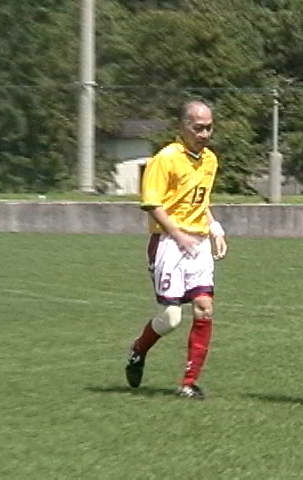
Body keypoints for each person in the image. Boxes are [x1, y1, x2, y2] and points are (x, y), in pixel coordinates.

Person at [124, 100, 228, 399]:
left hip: (199, 244)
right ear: (183, 126)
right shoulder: (165, 159)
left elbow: (200, 201)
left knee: (204, 308)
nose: (204, 134)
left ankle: (188, 383)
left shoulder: (210, 160)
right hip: (168, 243)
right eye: (198, 128)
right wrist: (178, 234)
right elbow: (152, 204)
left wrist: (215, 228)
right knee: (171, 318)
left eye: (209, 128)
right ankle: (138, 349)